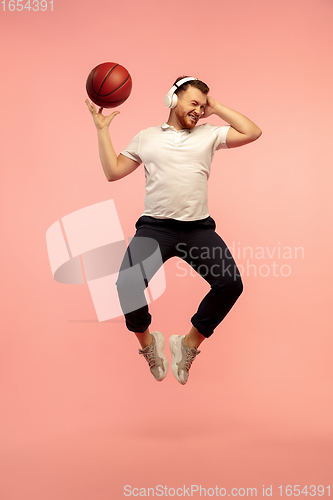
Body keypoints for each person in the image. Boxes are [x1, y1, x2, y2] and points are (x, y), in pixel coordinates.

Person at [85, 76, 262, 385]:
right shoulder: (147, 137)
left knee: (230, 284)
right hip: (156, 229)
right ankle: (148, 344)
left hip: (198, 230)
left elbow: (253, 132)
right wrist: (103, 131)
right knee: (126, 286)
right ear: (172, 100)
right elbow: (113, 172)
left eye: (202, 105)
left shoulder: (209, 134)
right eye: (193, 103)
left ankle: (188, 343)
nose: (198, 110)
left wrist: (216, 107)